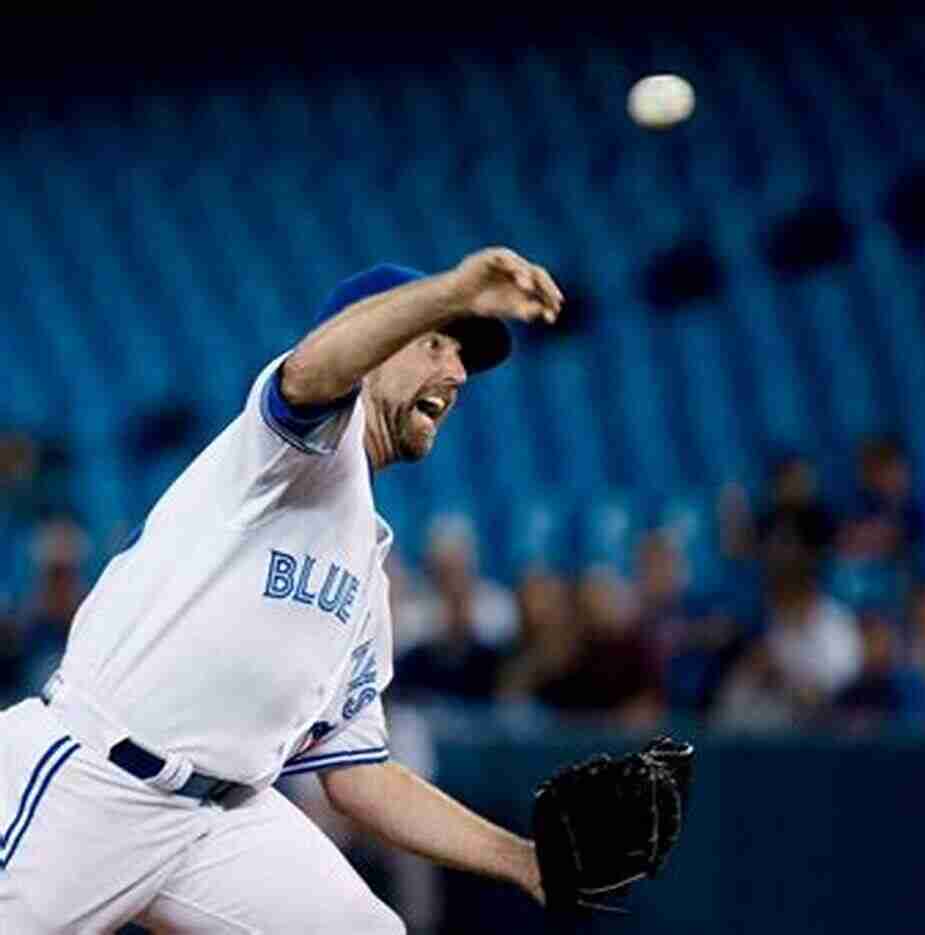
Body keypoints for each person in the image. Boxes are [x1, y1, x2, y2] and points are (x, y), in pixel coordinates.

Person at [0, 249, 564, 933]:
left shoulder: (364, 563)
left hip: (219, 823)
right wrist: (456, 288)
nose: (456, 371)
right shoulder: (295, 448)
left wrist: (526, 860)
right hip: (90, 780)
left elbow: (361, 776)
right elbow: (311, 372)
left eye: (461, 355)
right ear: (374, 344)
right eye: (436, 343)